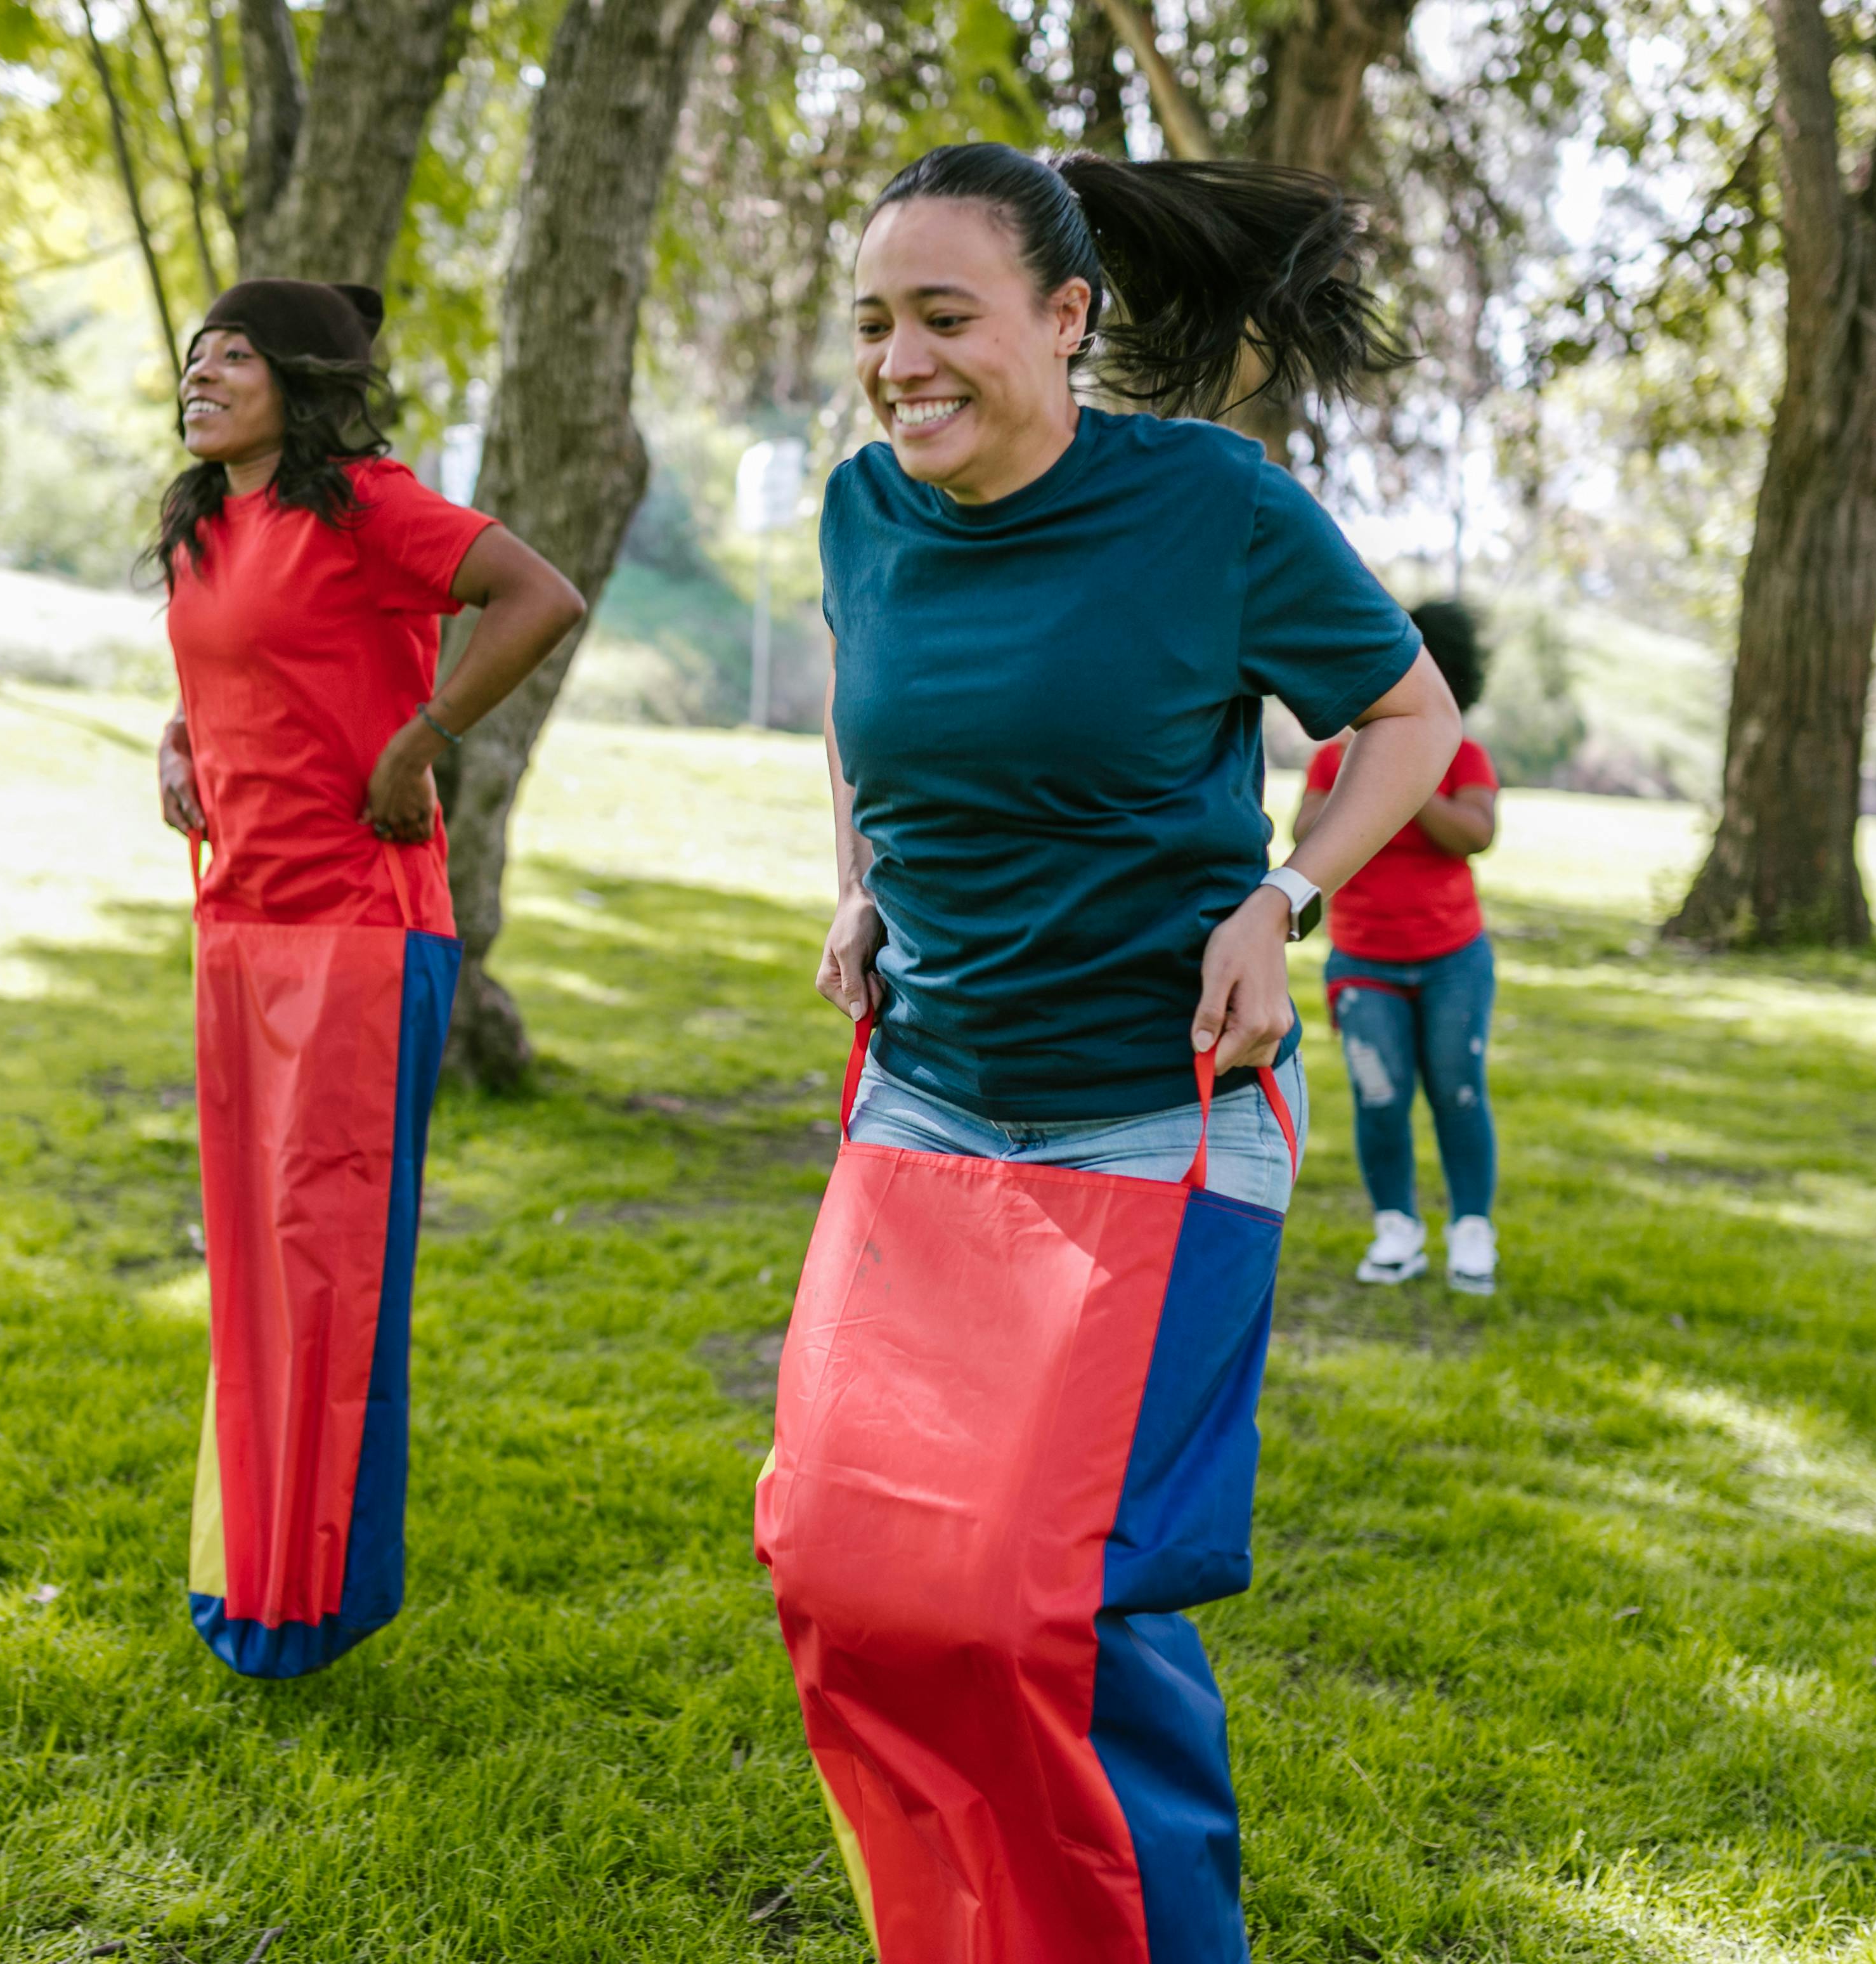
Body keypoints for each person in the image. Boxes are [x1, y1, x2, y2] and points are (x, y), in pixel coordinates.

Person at [755, 143, 1459, 1962]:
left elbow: (1401, 715)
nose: (899, 361)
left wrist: (1279, 898)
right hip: (923, 1096)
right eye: (871, 326)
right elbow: (858, 700)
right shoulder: (859, 509)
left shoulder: (1206, 506)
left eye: (942, 318)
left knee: (1044, 1601)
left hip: (1161, 1117)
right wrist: (859, 882)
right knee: (841, 1568)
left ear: (1065, 323)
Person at [149, 278, 583, 1678]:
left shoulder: (370, 506)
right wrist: (177, 742)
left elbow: (539, 596)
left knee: (322, 1262)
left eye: (234, 357)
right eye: (195, 357)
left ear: (302, 382)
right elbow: (240, 666)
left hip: (358, 927)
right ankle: (252, 1577)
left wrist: (423, 737)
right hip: (239, 921)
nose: (202, 375)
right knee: (252, 1262)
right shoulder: (206, 520)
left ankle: (311, 1601)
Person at [1295, 599, 1502, 1294]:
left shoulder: (1462, 755)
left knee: (1458, 1091)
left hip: (1451, 958)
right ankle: (1396, 1230)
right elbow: (1308, 833)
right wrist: (1373, 767)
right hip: (1363, 959)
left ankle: (1471, 1231)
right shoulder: (1333, 760)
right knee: (1378, 1097)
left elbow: (1475, 832)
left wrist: (1406, 776)